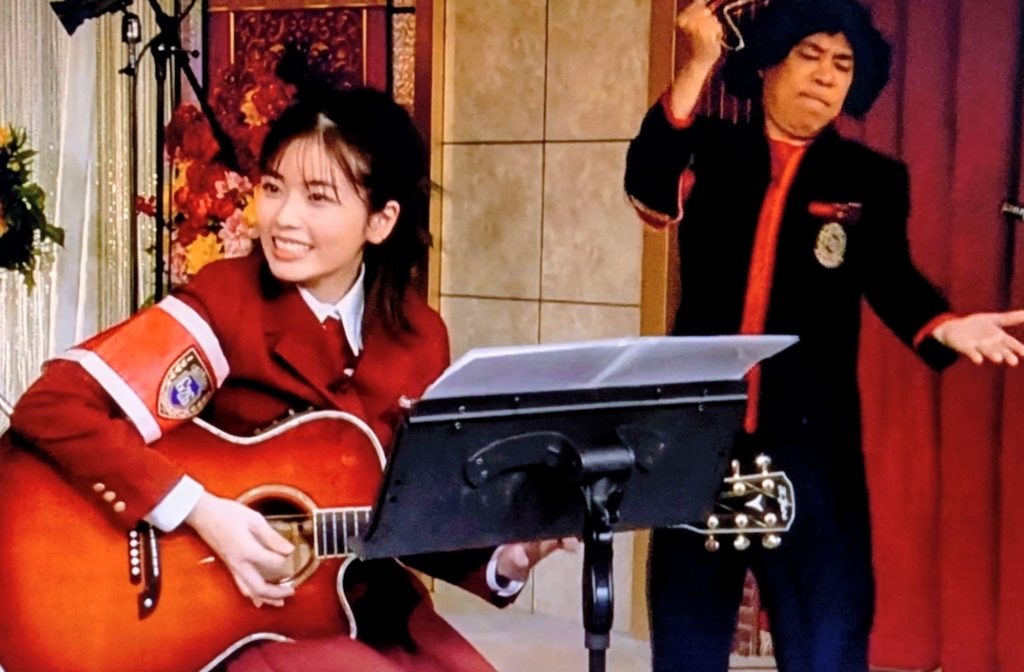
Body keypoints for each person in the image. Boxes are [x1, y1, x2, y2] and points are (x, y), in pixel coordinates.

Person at [3, 87, 570, 672]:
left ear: (381, 220)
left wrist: (508, 558)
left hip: (363, 602)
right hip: (232, 616)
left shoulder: (419, 338)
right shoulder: (226, 301)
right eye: (273, 188)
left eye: (317, 197)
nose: (283, 217)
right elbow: (54, 406)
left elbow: (405, 514)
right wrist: (201, 511)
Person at [624, 0, 1024, 670]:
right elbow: (647, 186)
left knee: (829, 638)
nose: (826, 75)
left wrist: (947, 324)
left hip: (811, 448)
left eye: (843, 64)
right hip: (698, 440)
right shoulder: (711, 150)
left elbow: (890, 275)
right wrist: (698, 64)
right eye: (809, 56)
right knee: (686, 637)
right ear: (769, 65)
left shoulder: (871, 178)